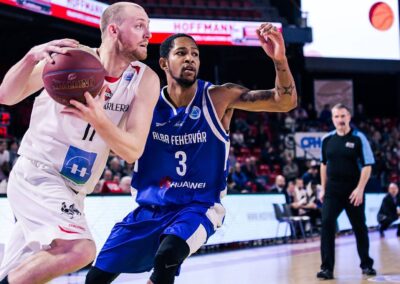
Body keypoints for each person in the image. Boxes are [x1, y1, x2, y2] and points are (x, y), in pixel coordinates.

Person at [86, 22, 297, 284]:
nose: (190, 59)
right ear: (163, 63)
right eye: (182, 53)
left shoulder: (219, 97)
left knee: (168, 255)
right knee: (94, 279)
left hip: (199, 206)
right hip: (149, 209)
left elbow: (284, 101)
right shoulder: (144, 104)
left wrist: (279, 59)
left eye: (195, 54)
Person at [0, 2, 159, 283]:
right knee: (80, 249)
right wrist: (30, 58)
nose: (148, 33)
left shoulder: (144, 79)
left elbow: (133, 150)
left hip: (75, 191)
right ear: (113, 29)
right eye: (139, 25)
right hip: (38, 173)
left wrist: (98, 118)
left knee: (19, 273)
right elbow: (6, 96)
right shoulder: (69, 59)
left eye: (147, 26)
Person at [317, 103, 376, 280]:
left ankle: (366, 264)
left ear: (349, 117)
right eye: (337, 116)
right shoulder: (327, 139)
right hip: (332, 191)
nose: (340, 120)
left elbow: (367, 166)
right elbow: (323, 164)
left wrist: (360, 189)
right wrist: (323, 187)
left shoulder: (359, 138)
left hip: (353, 191)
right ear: (332, 119)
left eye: (343, 116)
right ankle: (327, 268)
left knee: (359, 227)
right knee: (326, 224)